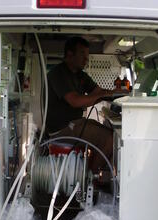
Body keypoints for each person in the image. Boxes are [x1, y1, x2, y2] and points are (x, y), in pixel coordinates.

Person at [46, 36, 119, 172]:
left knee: (113, 134)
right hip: (61, 129)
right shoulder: (58, 74)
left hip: (76, 123)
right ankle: (91, 177)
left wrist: (117, 92)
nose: (86, 59)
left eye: (87, 55)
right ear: (69, 54)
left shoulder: (80, 74)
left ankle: (103, 175)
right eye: (82, 54)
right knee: (111, 139)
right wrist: (102, 95)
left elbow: (98, 91)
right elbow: (75, 101)